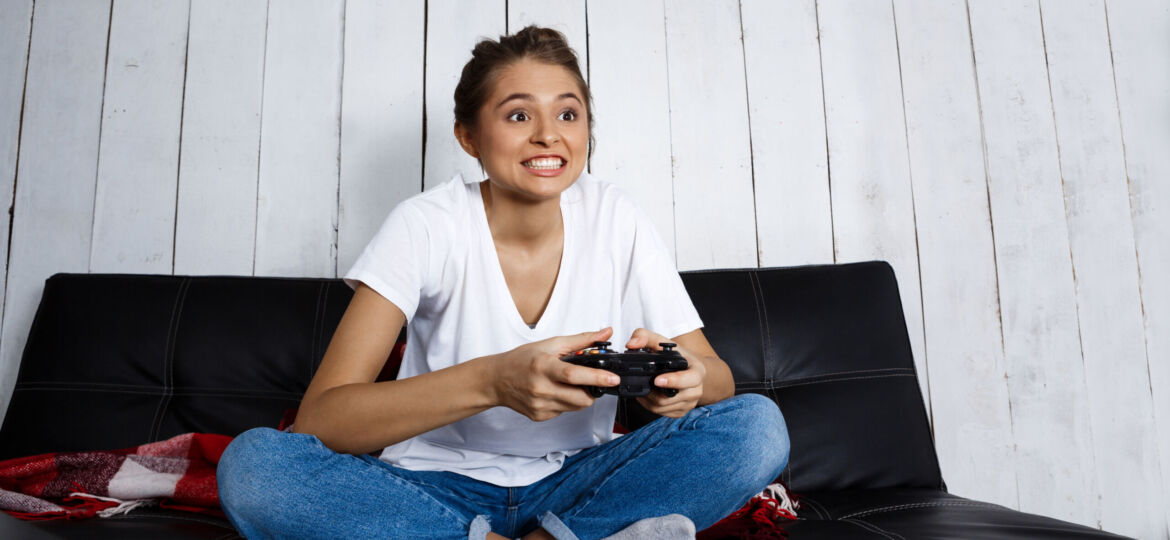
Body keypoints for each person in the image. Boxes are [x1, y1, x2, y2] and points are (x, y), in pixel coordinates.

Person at [216, 26, 789, 540]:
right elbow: (324, 420)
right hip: (431, 488)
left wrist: (682, 381)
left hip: (580, 481)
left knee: (759, 427)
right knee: (254, 467)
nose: (548, 136)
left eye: (568, 114)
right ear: (468, 136)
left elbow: (717, 380)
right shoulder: (426, 224)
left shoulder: (616, 215)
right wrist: (495, 380)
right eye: (519, 115)